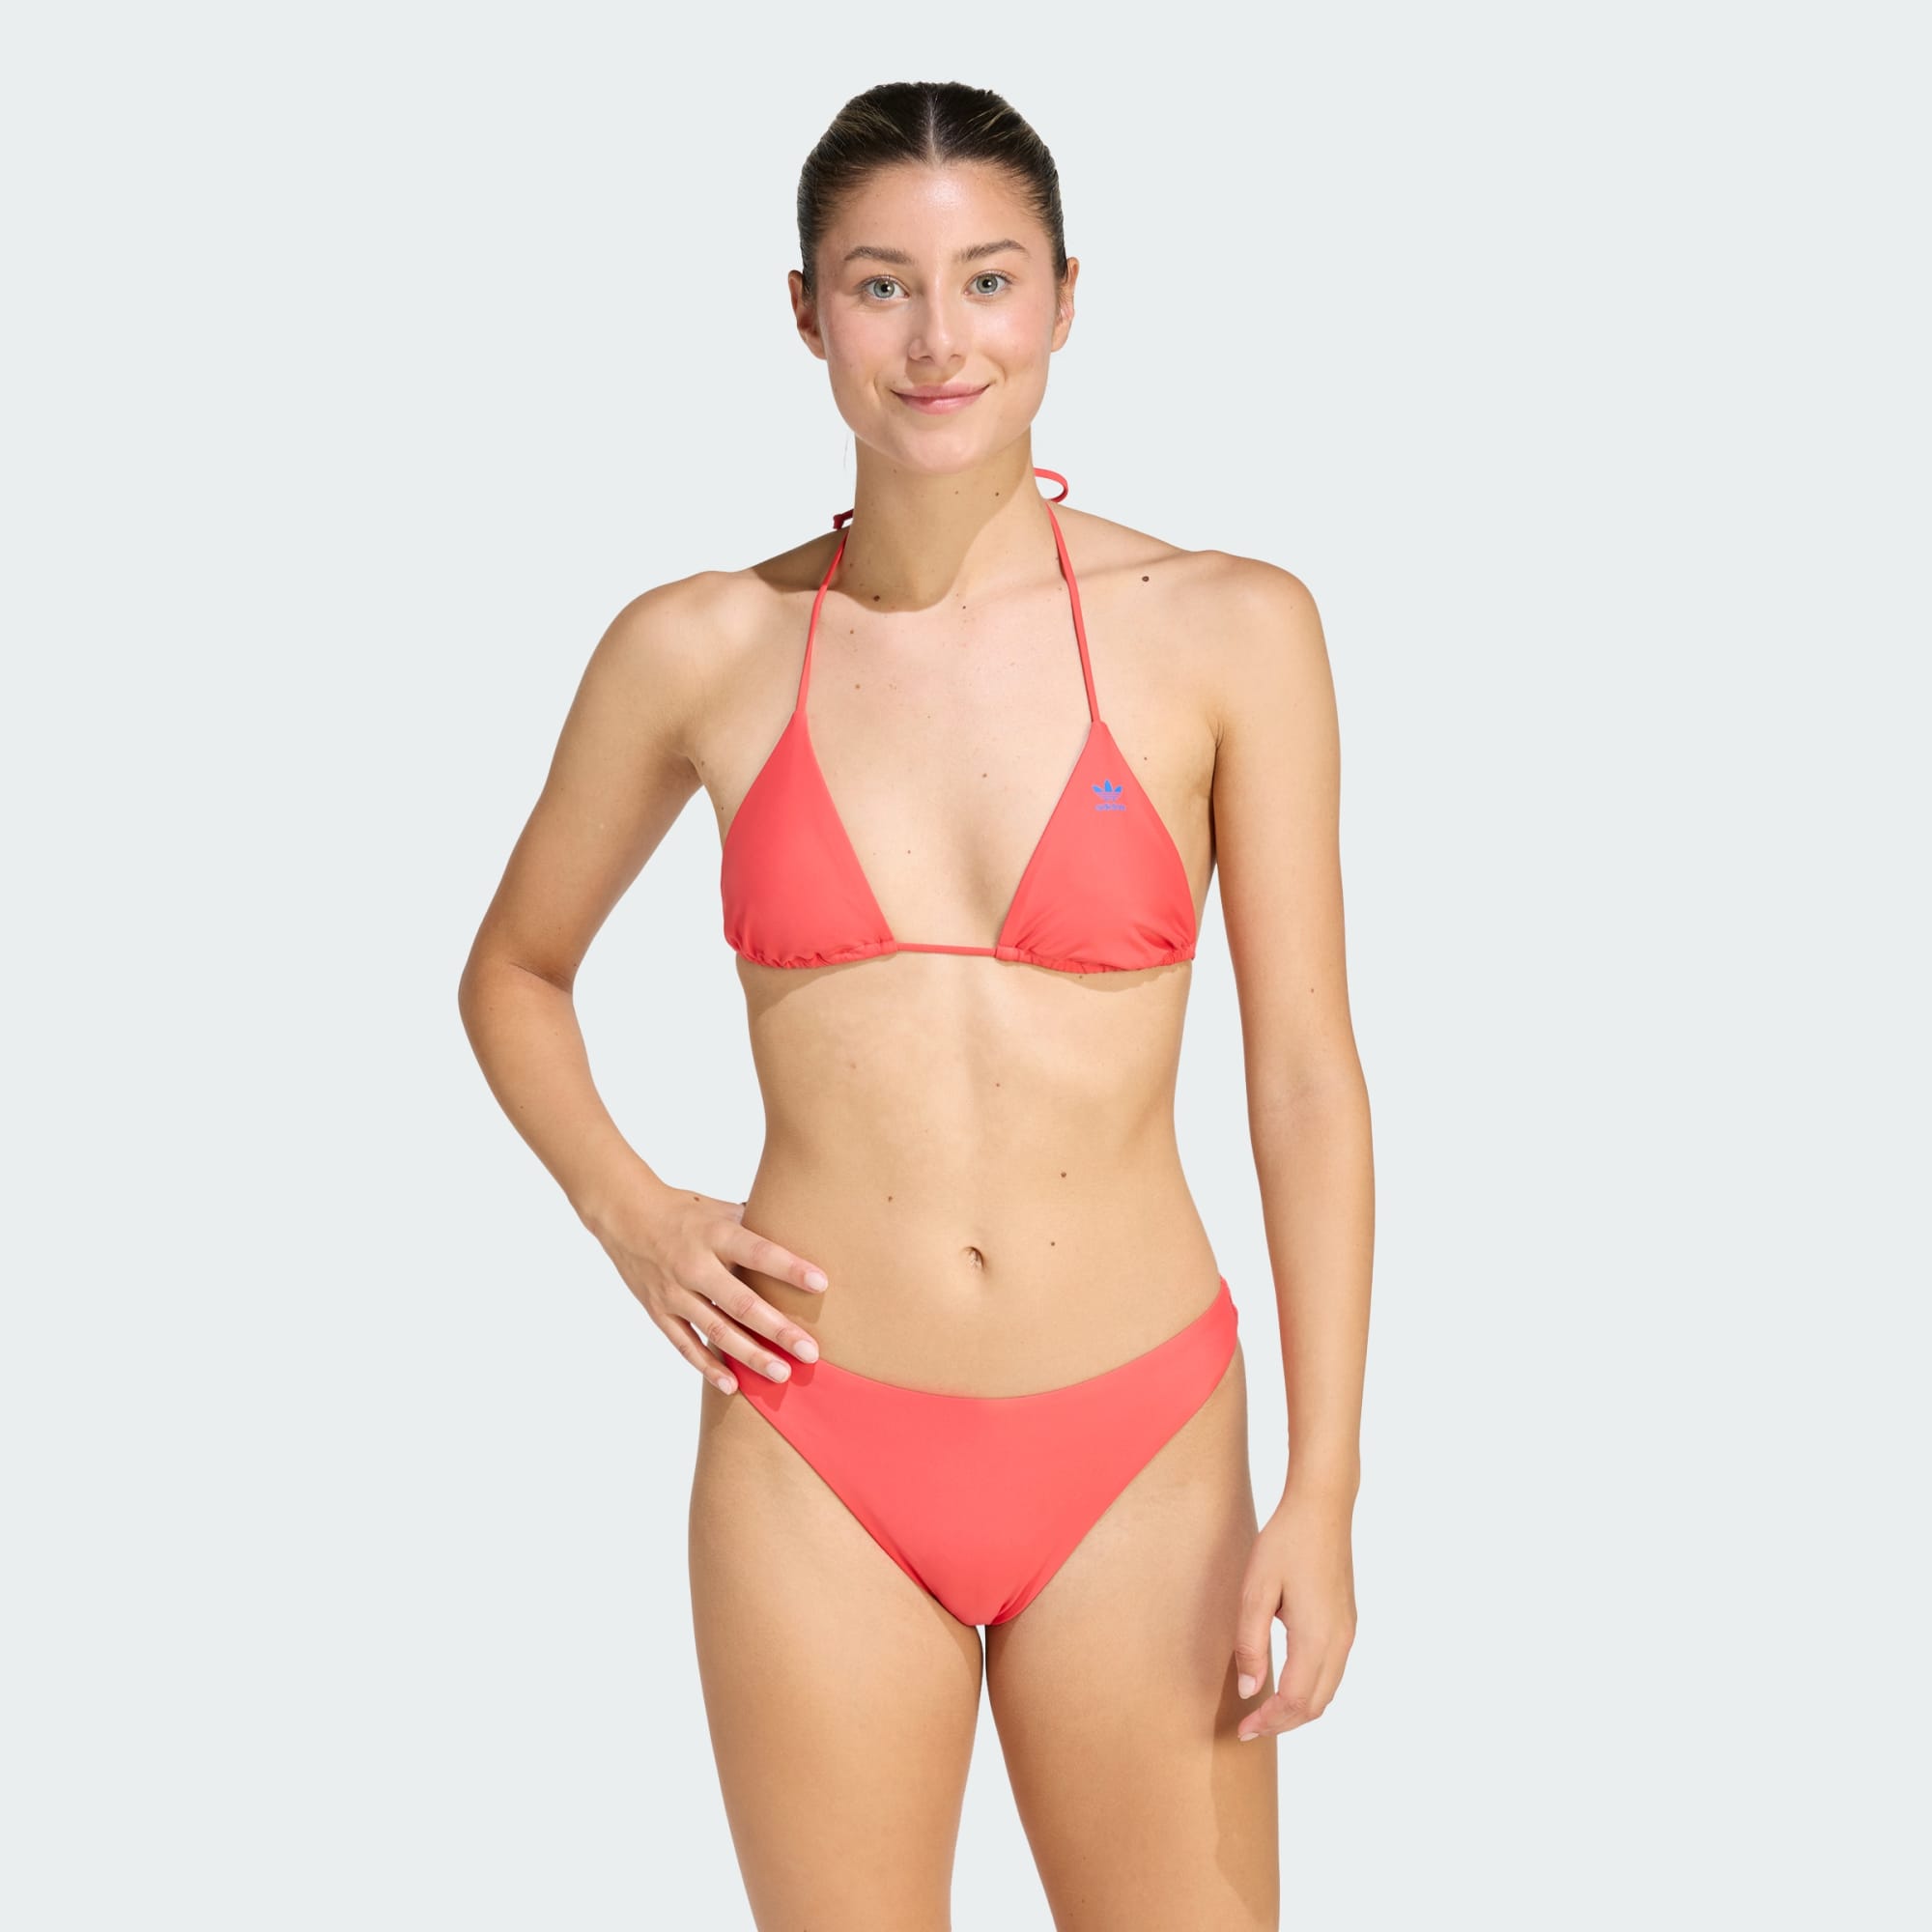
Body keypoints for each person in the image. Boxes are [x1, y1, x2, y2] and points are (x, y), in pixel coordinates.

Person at [458, 78, 1373, 1932]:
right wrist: (635, 1215)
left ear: (1065, 299)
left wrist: (1326, 1490)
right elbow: (514, 972)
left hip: (1142, 1442)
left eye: (989, 280)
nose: (941, 340)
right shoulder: (700, 646)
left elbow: (1302, 1079)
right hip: (817, 1445)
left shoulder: (1231, 628)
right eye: (882, 286)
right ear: (806, 312)